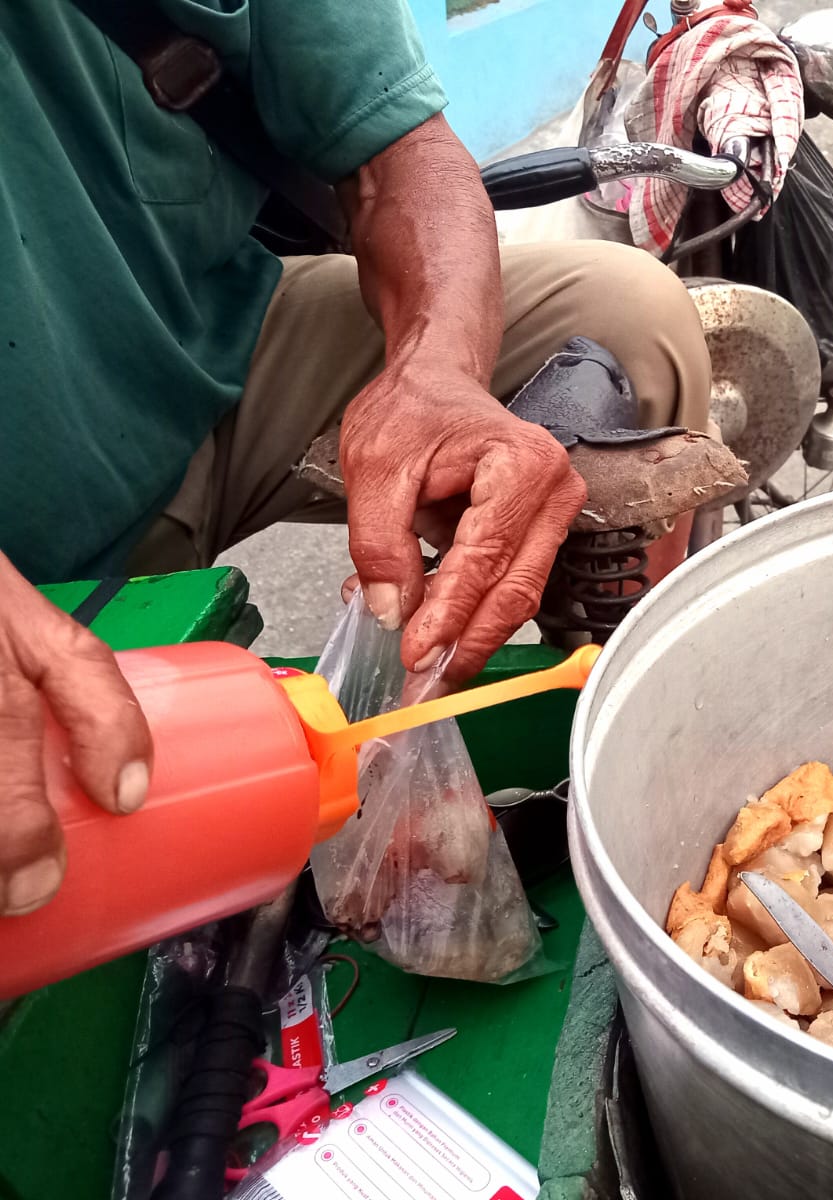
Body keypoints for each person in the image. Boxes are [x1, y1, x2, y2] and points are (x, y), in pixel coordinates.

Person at [0, 0, 713, 919]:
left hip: (211, 346)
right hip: (30, 544)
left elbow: (402, 159)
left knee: (630, 317)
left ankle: (613, 759)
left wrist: (438, 373)